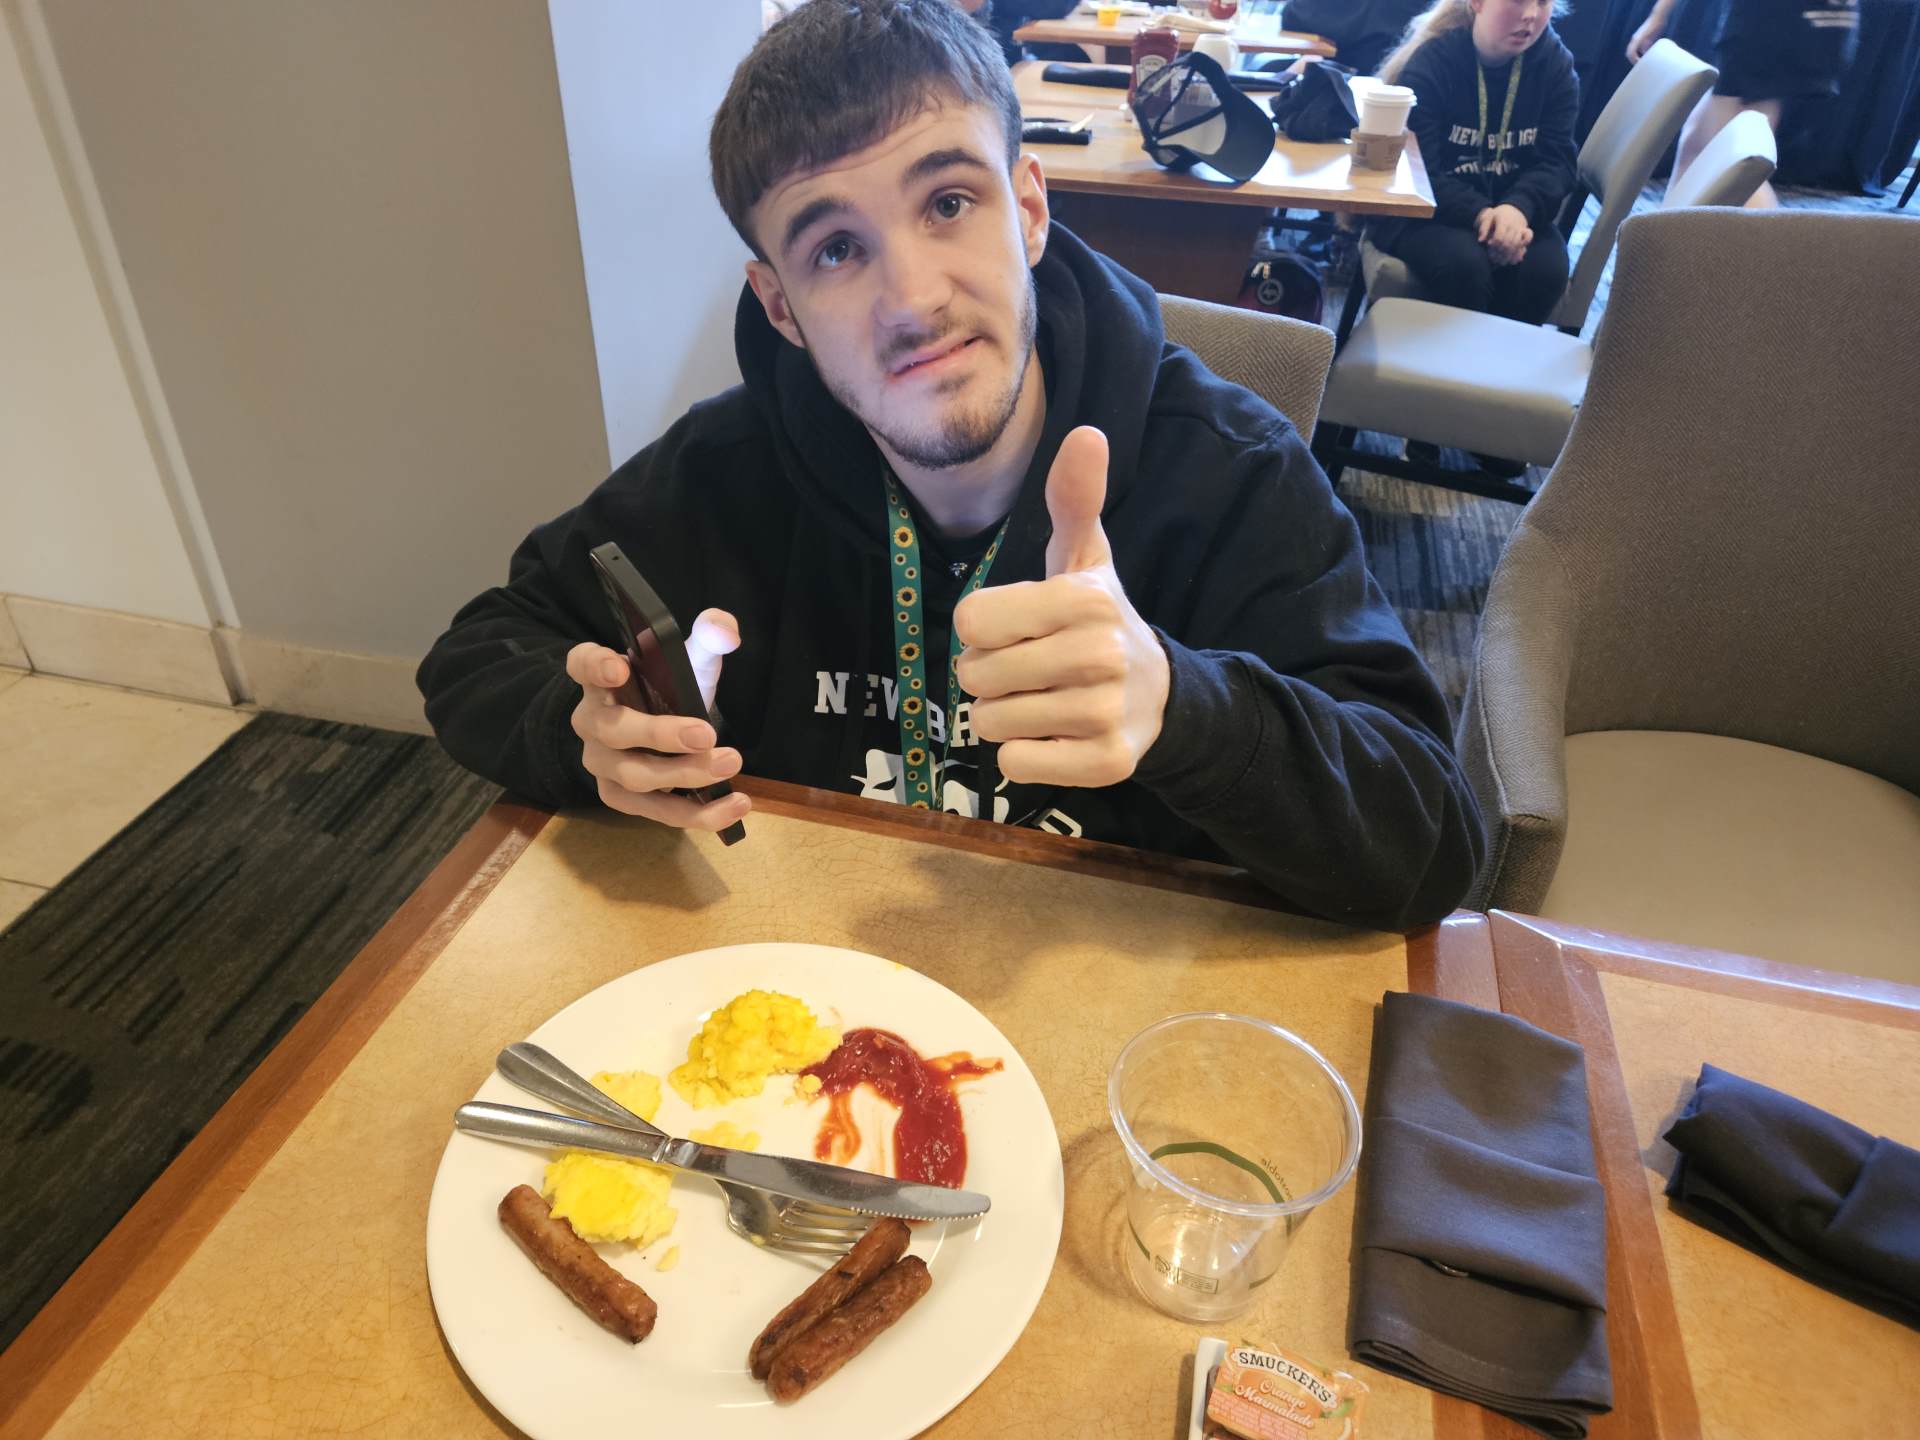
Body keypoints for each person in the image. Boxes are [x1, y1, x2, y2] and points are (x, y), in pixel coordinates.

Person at [416, 0, 1484, 932]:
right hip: (805, 1011)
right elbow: (478, 652)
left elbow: (1431, 844)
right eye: (836, 249)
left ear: (1030, 210)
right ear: (779, 305)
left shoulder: (1226, 472)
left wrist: (1183, 706)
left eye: (948, 203)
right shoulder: (723, 470)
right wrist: (587, 735)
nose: (914, 300)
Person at [1367, 0, 1580, 326]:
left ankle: (1501, 360)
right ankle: (1447, 359)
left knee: (1545, 270)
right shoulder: (1433, 62)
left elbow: (1558, 163)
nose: (1531, 14)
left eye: (1542, 2)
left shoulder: (1555, 64)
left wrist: (1517, 209)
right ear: (1477, 3)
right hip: (1427, 211)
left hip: (1513, 211)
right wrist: (1482, 215)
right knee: (1464, 266)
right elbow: (1417, 171)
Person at [1626, 0, 1861, 209]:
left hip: (1769, 24)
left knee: (1734, 164)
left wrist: (1659, 14)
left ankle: (1767, 245)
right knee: (1698, 143)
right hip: (1803, 22)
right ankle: (1667, 234)